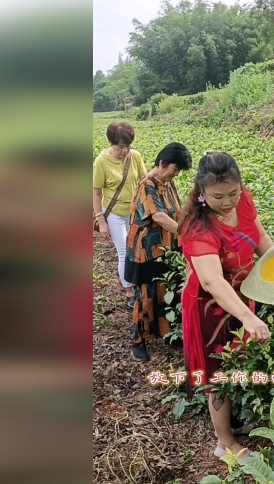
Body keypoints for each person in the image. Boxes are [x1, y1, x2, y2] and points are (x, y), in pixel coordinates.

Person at [178, 151, 274, 460]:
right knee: (217, 372)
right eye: (218, 196)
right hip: (211, 309)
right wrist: (248, 317)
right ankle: (225, 443)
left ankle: (232, 420)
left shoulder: (242, 200)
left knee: (238, 362)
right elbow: (212, 282)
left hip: (243, 296)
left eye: (233, 192)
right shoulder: (197, 225)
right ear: (202, 192)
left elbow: (260, 238)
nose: (228, 201)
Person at [125, 142, 193, 362]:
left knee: (166, 292)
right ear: (162, 163)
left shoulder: (167, 183)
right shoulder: (147, 185)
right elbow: (159, 216)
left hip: (167, 248)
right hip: (144, 251)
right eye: (174, 169)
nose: (175, 174)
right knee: (144, 296)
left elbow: (177, 211)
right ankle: (138, 342)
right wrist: (187, 233)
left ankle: (167, 334)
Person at [93, 122, 147, 308]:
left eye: (128, 146)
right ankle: (129, 289)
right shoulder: (101, 162)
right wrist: (101, 220)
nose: (125, 151)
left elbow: (143, 180)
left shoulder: (135, 156)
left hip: (134, 211)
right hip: (114, 213)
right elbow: (96, 193)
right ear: (110, 142)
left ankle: (137, 283)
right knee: (124, 251)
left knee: (137, 249)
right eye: (120, 147)